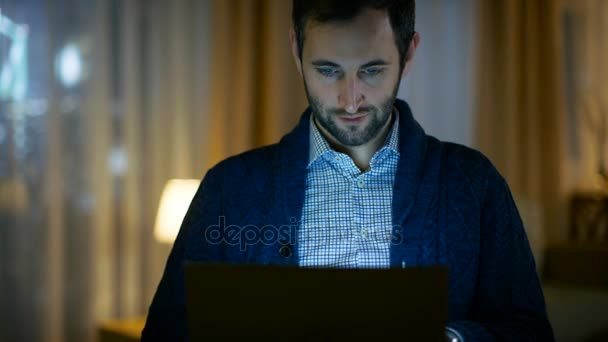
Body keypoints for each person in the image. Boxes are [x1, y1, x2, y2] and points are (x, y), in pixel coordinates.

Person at [142, 1, 555, 340]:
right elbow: (166, 332)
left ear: (409, 52)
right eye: (327, 70)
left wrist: (450, 338)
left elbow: (531, 331)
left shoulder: (473, 183)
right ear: (295, 49)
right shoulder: (229, 188)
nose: (350, 99)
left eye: (372, 70)